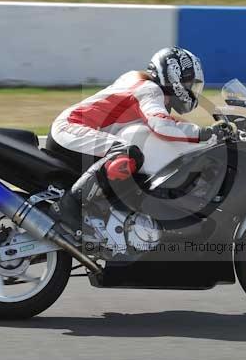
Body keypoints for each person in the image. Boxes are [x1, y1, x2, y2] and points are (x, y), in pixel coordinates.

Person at [47, 46, 234, 233]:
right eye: (187, 83)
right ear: (173, 76)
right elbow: (162, 126)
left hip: (73, 130)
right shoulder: (150, 89)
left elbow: (167, 121)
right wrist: (205, 133)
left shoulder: (143, 85)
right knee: (128, 152)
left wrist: (203, 136)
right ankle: (69, 206)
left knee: (132, 158)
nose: (190, 90)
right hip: (72, 129)